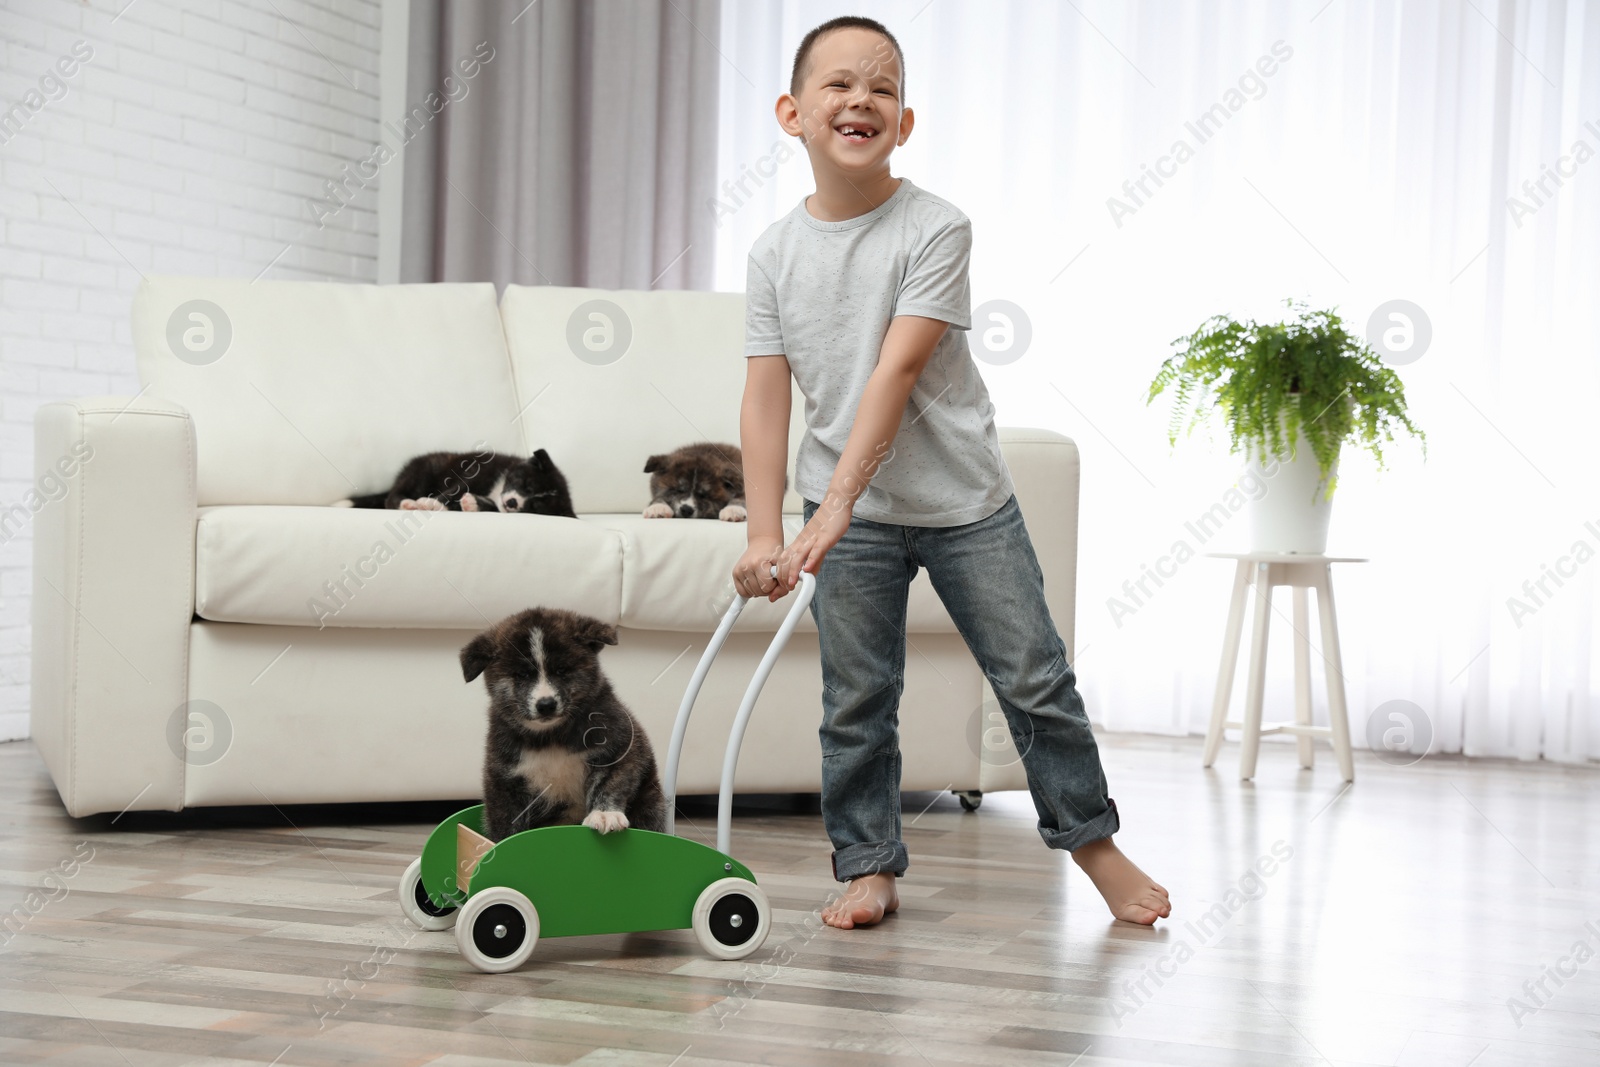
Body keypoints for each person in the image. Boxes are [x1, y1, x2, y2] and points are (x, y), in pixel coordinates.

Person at [731, 15, 1172, 931]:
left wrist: (838, 504)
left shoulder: (936, 228)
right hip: (839, 509)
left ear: (906, 121)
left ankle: (1095, 845)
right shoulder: (773, 254)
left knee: (1034, 677)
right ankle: (868, 863)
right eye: (839, 85)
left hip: (964, 502)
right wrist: (766, 530)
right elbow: (767, 397)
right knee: (856, 697)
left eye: (883, 89)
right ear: (791, 112)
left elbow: (894, 373)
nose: (862, 100)